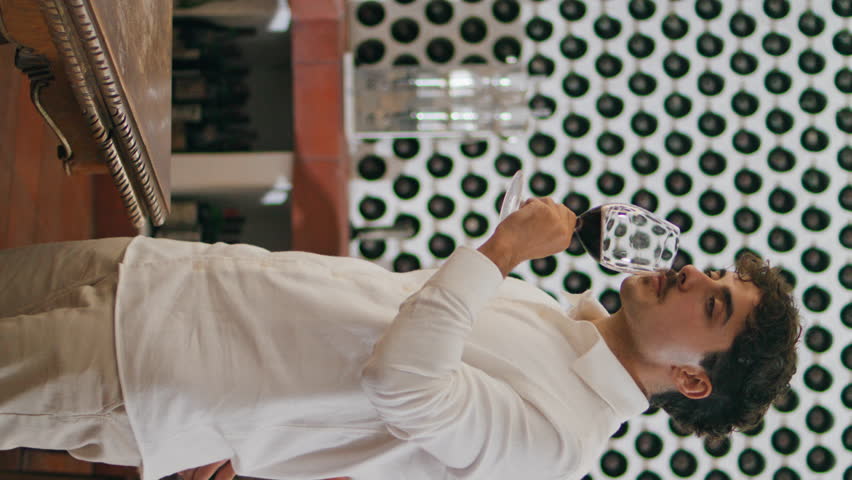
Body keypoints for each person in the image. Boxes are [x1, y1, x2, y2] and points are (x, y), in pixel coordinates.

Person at [0, 198, 800, 480]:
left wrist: (503, 251)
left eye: (713, 306)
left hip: (152, 368)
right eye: (712, 273)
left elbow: (406, 387)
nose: (689, 274)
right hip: (171, 277)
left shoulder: (562, 443)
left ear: (693, 379)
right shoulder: (554, 319)